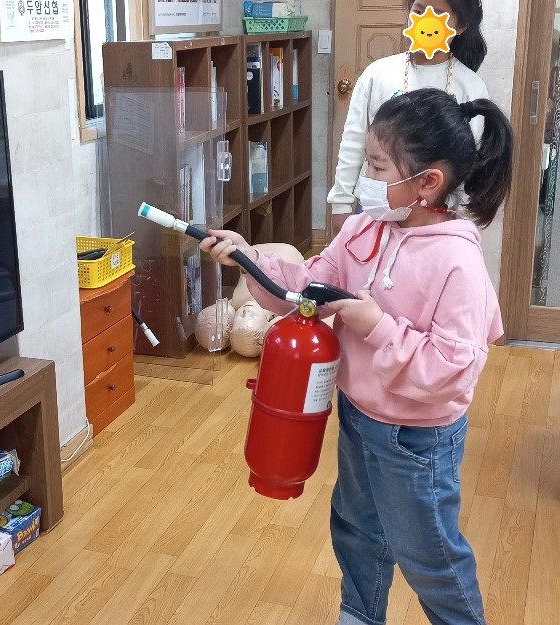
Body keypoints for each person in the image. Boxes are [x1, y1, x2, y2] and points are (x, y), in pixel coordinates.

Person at [201, 87, 512, 625]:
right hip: (358, 416)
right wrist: (248, 259)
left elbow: (453, 369)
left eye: (377, 166)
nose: (365, 177)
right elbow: (307, 290)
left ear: (428, 182)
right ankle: (360, 614)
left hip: (416, 439)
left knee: (429, 556)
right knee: (356, 531)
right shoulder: (365, 227)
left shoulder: (457, 260)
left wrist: (377, 326)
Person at [329, 0, 489, 235]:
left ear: (461, 26)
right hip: (376, 206)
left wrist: (461, 216)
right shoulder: (377, 74)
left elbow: (469, 160)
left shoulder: (471, 86)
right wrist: (341, 203)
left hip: (435, 213)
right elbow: (353, 143)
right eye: (419, 10)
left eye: (438, 13)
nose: (425, 19)